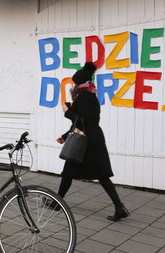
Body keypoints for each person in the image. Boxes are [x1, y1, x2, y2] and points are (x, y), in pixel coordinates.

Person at [47, 62, 130, 222]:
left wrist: (67, 112)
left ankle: (58, 203)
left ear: (80, 84)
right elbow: (82, 122)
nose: (73, 85)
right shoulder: (89, 96)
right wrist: (65, 135)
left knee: (70, 171)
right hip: (93, 138)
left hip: (87, 141)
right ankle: (119, 207)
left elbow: (84, 120)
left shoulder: (84, 97)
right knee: (100, 175)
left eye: (75, 83)